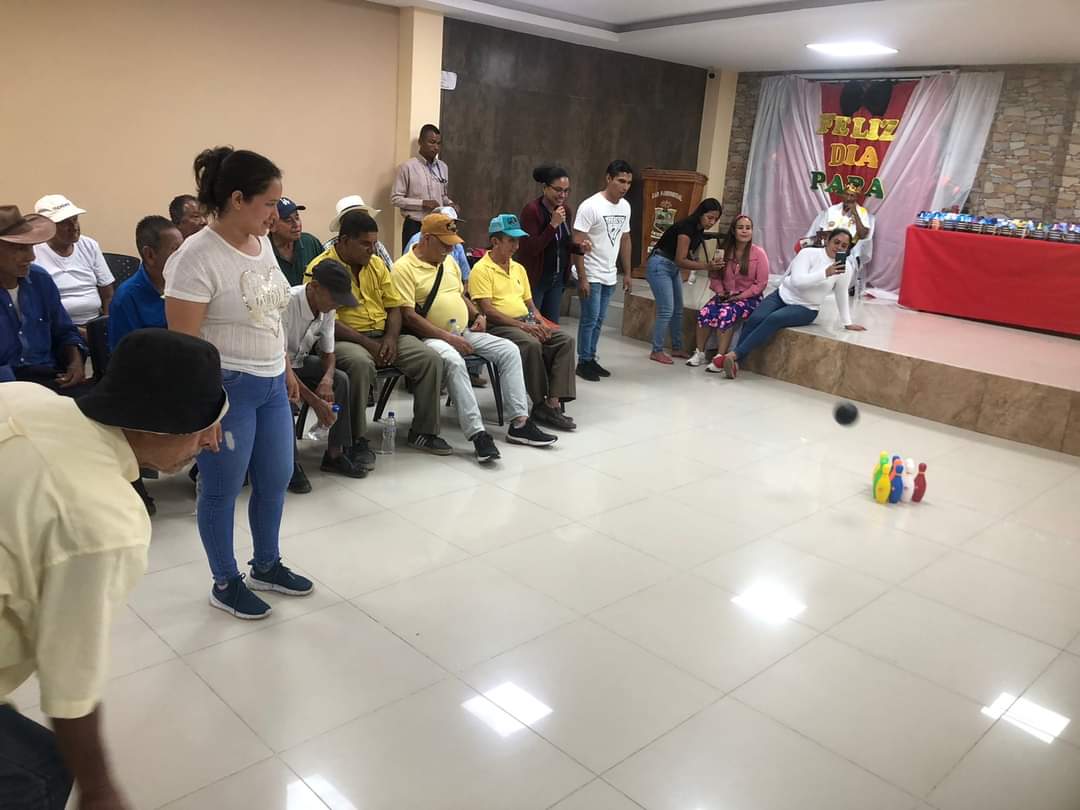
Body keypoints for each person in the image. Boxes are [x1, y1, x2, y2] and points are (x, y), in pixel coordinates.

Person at [0, 328, 226, 810]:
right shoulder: (103, 520)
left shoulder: (23, 397)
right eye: (205, 427)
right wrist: (100, 790)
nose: (213, 442)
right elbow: (69, 680)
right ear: (162, 426)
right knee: (40, 776)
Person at [165, 146, 313, 620]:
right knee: (221, 488)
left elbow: (269, 312)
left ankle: (266, 565)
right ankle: (225, 581)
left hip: (270, 382)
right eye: (268, 204)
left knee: (275, 478)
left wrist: (286, 367)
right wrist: (203, 413)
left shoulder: (260, 241)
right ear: (236, 199)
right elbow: (184, 347)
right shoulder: (195, 258)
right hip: (226, 390)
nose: (276, 214)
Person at [393, 213, 557, 464]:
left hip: (462, 331)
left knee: (509, 349)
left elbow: (460, 295)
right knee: (455, 362)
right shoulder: (403, 268)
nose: (450, 249)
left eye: (452, 244)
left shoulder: (448, 262)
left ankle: (520, 423)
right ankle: (477, 433)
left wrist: (477, 314)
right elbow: (409, 316)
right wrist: (449, 339)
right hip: (428, 336)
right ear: (426, 239)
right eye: (445, 244)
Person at [305, 210, 449, 461]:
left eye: (374, 243)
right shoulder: (322, 267)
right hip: (343, 339)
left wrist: (391, 339)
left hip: (382, 335)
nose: (372, 249)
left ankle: (423, 432)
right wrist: (368, 343)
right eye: (365, 244)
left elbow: (394, 306)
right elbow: (324, 319)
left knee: (430, 359)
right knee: (360, 364)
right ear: (344, 240)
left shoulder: (377, 264)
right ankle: (354, 439)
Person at [469, 214, 577, 431]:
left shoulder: (518, 268)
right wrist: (524, 327)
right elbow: (488, 311)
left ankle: (553, 402)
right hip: (498, 326)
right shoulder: (481, 270)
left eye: (517, 241)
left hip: (524, 322)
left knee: (564, 340)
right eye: (511, 241)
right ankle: (539, 403)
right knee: (531, 344)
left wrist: (540, 322)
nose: (516, 246)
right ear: (495, 241)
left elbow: (530, 305)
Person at [715, 228, 866, 379]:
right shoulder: (808, 253)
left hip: (807, 307)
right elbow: (797, 281)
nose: (839, 247)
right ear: (827, 241)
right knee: (755, 318)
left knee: (774, 318)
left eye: (844, 246)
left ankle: (734, 355)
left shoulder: (845, 268)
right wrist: (825, 273)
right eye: (836, 242)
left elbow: (841, 293)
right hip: (782, 295)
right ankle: (735, 362)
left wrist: (847, 322)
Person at [284, 258, 367, 487]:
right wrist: (315, 401)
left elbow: (328, 352)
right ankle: (289, 464)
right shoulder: (287, 303)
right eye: (334, 298)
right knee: (283, 394)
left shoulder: (327, 308)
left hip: (300, 362)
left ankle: (334, 454)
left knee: (341, 379)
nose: (336, 305)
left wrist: (327, 378)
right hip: (277, 367)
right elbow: (280, 362)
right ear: (315, 287)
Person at [0, 205, 89, 395]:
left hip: (48, 378)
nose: (31, 257)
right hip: (6, 387)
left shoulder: (40, 280)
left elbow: (65, 331)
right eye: (20, 248)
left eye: (31, 247)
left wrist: (75, 362)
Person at [573, 160, 633, 382]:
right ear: (608, 178)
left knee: (599, 319)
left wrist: (627, 273)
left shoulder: (625, 206)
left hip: (610, 272)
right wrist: (582, 277)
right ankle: (583, 361)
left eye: (628, 182)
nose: (625, 187)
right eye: (621, 181)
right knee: (589, 318)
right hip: (591, 270)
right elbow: (577, 242)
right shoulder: (590, 206)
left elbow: (625, 239)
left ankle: (591, 357)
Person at [645, 198, 722, 364]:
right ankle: (656, 350)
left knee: (678, 309)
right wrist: (706, 266)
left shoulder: (698, 229)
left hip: (672, 267)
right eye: (709, 217)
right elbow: (680, 259)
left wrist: (697, 265)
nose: (712, 222)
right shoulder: (687, 226)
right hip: (660, 264)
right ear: (700, 214)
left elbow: (686, 255)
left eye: (715, 219)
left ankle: (677, 347)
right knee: (666, 309)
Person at [688, 214, 769, 368]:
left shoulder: (759, 253)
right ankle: (700, 352)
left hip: (749, 298)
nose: (744, 231)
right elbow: (715, 276)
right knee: (705, 312)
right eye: (740, 228)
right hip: (725, 295)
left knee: (726, 312)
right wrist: (720, 292)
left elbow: (761, 283)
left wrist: (740, 296)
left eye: (748, 228)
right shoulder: (723, 252)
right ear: (733, 231)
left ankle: (720, 358)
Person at [517, 165, 586, 324]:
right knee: (533, 326)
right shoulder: (532, 211)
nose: (563, 195)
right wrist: (552, 225)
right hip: (536, 279)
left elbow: (563, 243)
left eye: (566, 191)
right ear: (545, 188)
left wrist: (579, 248)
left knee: (551, 327)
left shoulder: (565, 210)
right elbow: (531, 248)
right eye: (558, 190)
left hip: (557, 279)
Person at [32, 195, 114, 326]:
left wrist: (106, 327)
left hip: (94, 323)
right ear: (45, 227)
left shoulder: (89, 245)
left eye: (75, 219)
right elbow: (34, 305)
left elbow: (108, 294)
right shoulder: (33, 252)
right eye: (64, 222)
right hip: (55, 328)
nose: (74, 226)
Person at [108, 216, 183, 350]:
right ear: (150, 255)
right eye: (175, 250)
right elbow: (125, 355)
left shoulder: (184, 284)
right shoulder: (126, 298)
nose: (183, 256)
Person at [391, 124, 454, 248]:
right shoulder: (407, 167)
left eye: (438, 143)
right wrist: (422, 203)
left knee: (437, 257)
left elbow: (443, 196)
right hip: (415, 224)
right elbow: (396, 199)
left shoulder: (443, 167)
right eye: (432, 142)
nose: (436, 147)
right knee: (413, 258)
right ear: (420, 142)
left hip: (438, 225)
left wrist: (451, 204)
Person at [804, 182, 874, 265]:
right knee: (805, 246)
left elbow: (862, 235)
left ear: (856, 198)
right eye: (846, 194)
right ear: (842, 195)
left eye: (852, 195)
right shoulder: (832, 210)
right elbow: (822, 230)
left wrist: (855, 214)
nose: (848, 198)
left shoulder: (862, 212)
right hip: (827, 244)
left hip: (846, 247)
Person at [403, 206, 470, 288]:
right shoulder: (417, 241)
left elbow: (466, 278)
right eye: (446, 222)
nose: (451, 226)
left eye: (454, 222)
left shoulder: (456, 248)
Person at [326, 195, 394, 270]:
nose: (372, 249)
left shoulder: (377, 249)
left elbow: (391, 271)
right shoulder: (327, 252)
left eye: (364, 217)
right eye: (354, 220)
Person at [270, 196, 324, 285]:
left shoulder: (310, 242)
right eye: (288, 220)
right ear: (272, 224)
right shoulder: (263, 250)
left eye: (297, 217)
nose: (296, 224)